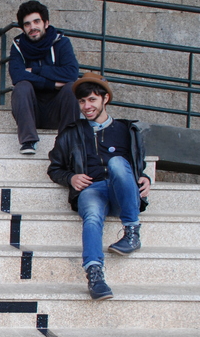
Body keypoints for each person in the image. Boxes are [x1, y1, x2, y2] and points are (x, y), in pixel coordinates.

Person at [47, 72, 151, 300]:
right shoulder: (71, 133)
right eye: (82, 101)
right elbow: (54, 169)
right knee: (92, 216)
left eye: (92, 100)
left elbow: (134, 165)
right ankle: (95, 275)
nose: (86, 106)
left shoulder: (127, 130)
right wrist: (71, 178)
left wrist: (145, 178)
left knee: (116, 162)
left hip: (122, 192)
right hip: (92, 190)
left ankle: (132, 231)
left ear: (105, 99)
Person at [9, 0, 80, 155]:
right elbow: (17, 75)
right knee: (21, 87)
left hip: (57, 109)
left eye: (36, 21)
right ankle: (28, 141)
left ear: (46, 23)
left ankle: (68, 143)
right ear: (23, 28)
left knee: (71, 88)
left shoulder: (62, 43)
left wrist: (35, 70)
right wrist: (51, 83)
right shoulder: (18, 46)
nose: (32, 27)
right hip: (30, 111)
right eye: (27, 24)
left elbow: (71, 73)